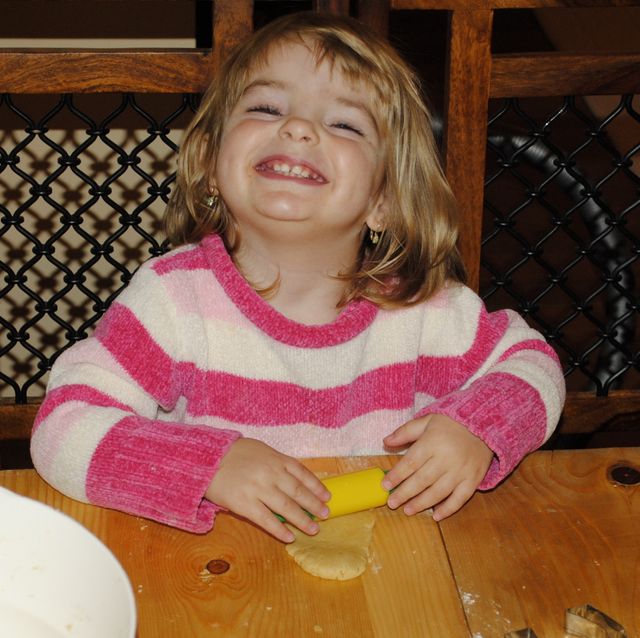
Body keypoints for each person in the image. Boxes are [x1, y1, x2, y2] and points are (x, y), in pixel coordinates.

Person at [31, 12, 565, 543]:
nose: (298, 127)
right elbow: (61, 430)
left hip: (398, 565)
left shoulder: (426, 309)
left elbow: (535, 366)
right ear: (211, 165)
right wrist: (207, 466)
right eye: (266, 108)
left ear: (384, 201)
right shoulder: (173, 300)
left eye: (344, 124)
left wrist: (478, 428)